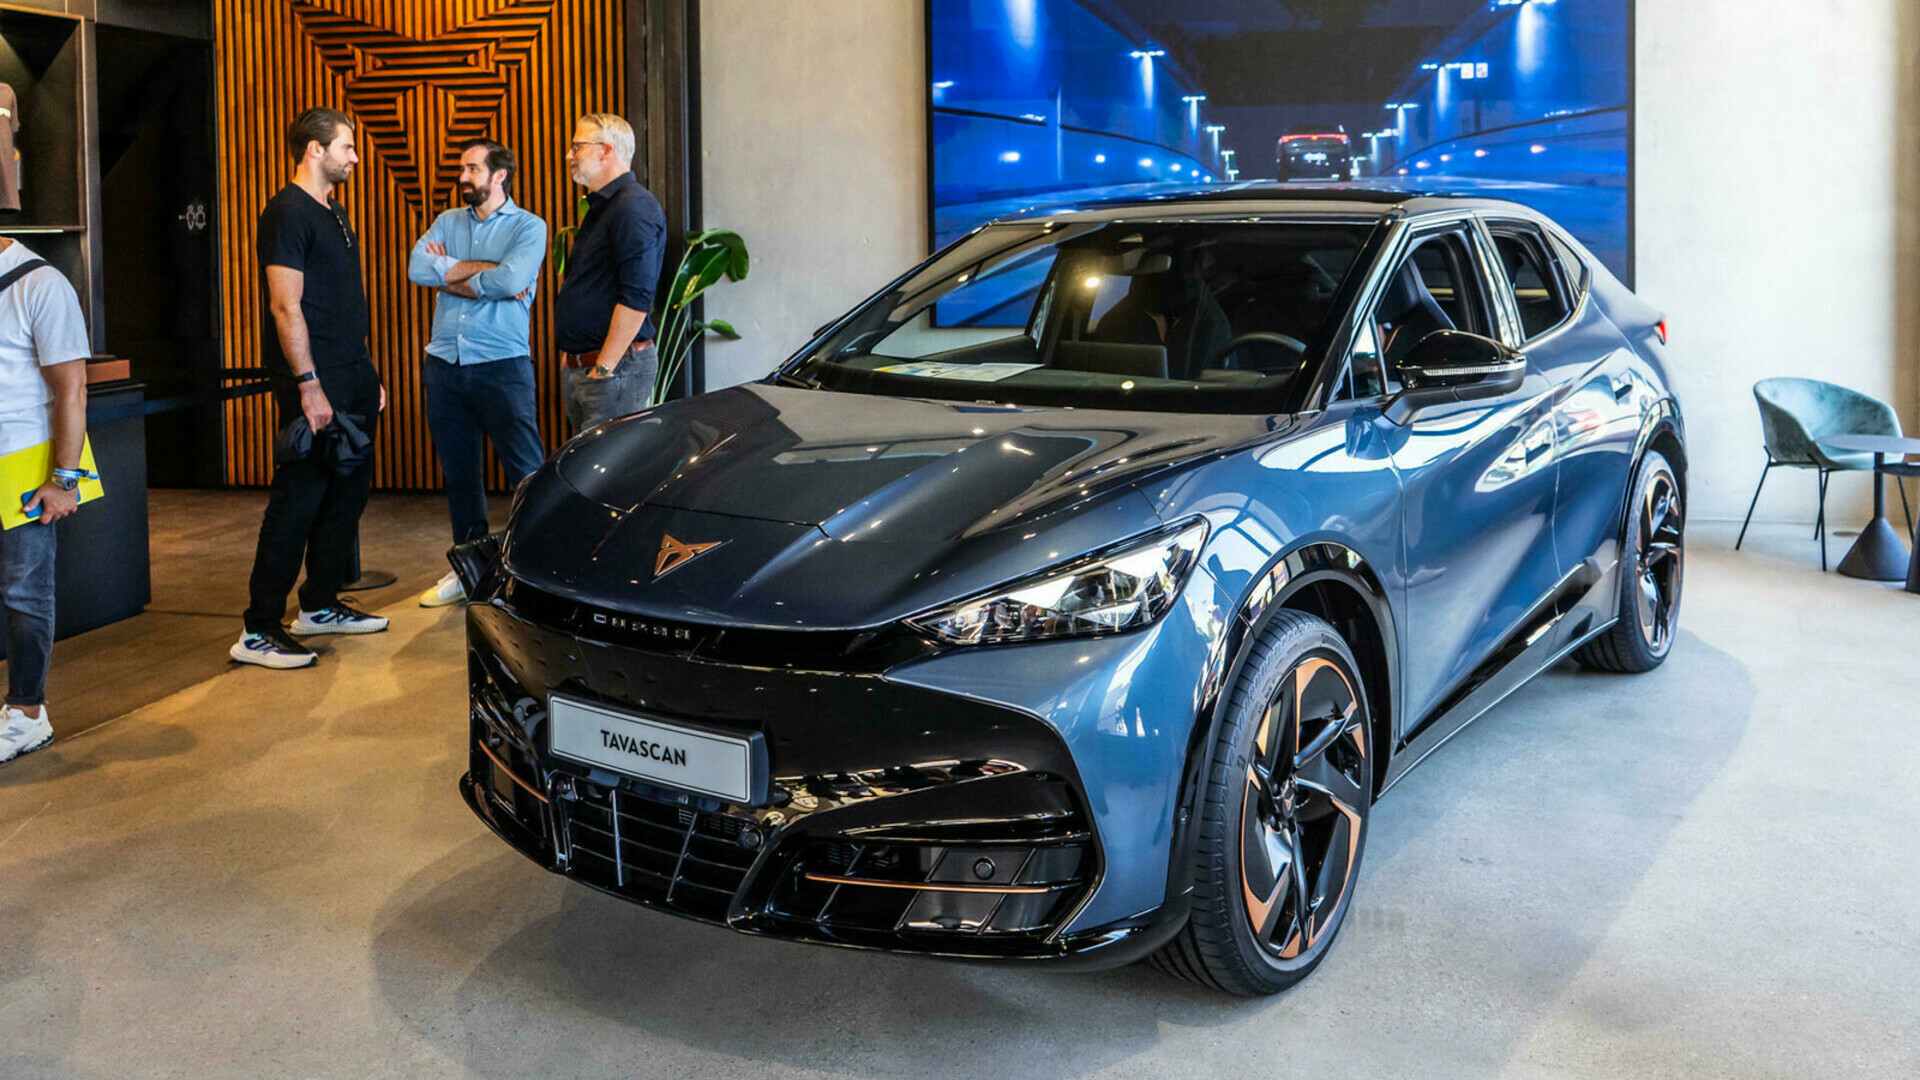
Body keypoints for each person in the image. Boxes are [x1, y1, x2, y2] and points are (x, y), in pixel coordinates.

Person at [231, 107, 389, 670]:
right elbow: (285, 306)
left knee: (347, 494)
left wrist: (366, 374)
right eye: (347, 146)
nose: (355, 157)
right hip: (313, 381)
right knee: (298, 501)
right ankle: (258, 629)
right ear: (315, 149)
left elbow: (341, 302)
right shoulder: (286, 212)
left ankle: (319, 604)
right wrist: (309, 385)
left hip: (352, 374)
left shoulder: (334, 210)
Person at [407, 138, 548, 607]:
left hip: (502, 364)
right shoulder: (448, 221)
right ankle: (468, 569)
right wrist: (485, 272)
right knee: (460, 475)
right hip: (444, 365)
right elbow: (417, 268)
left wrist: (449, 275)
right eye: (462, 168)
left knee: (526, 473)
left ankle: (534, 570)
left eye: (472, 168)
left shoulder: (529, 226)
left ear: (499, 175)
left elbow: (513, 280)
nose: (463, 176)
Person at [0, 238, 89, 764]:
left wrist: (65, 479)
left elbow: (72, 388)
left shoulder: (41, 283)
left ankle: (27, 713)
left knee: (24, 592)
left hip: (21, 463)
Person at [553, 113, 667, 430]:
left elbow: (636, 298)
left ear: (606, 150)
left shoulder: (633, 207)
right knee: (589, 459)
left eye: (577, 146)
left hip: (615, 370)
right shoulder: (603, 206)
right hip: (587, 367)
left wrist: (603, 368)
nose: (569, 156)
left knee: (609, 462)